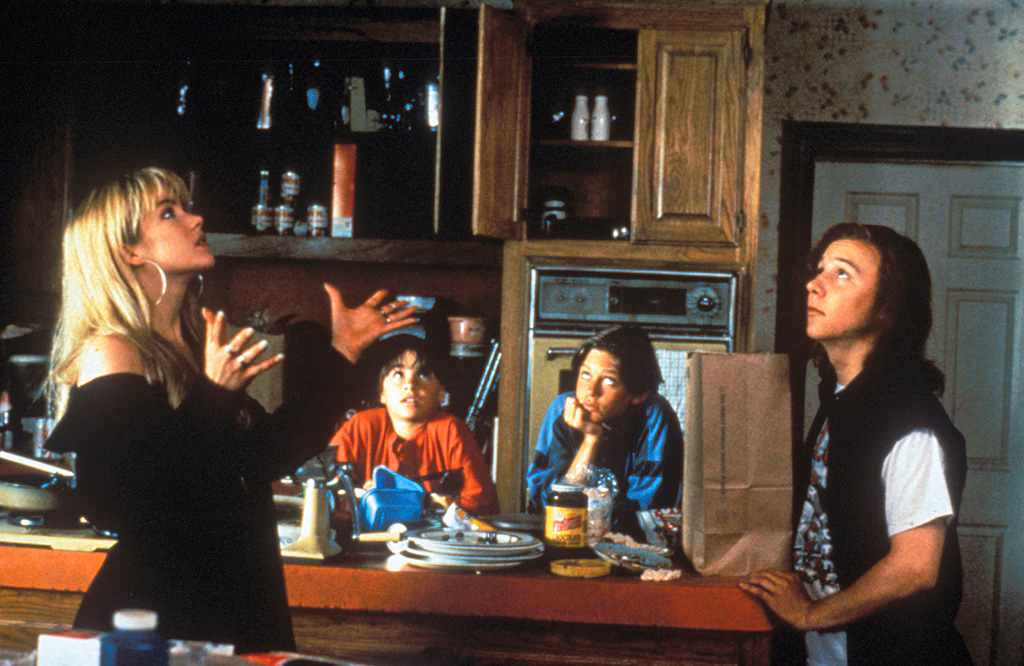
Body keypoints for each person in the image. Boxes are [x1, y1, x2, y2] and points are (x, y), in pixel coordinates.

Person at [43, 167, 417, 653]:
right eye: (169, 212)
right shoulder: (112, 350)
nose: (196, 219)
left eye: (186, 206)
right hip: (160, 623)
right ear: (129, 250)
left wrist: (342, 353)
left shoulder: (194, 342)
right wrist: (215, 395)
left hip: (233, 608)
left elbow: (266, 456)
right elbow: (118, 502)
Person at [739, 223, 971, 665]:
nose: (814, 284)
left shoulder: (910, 420)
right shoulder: (841, 402)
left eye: (842, 273)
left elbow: (915, 568)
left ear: (887, 308)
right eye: (820, 268)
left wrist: (809, 614)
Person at [525, 325, 683, 538]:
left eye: (609, 380)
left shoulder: (654, 414)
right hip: (562, 537)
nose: (591, 391)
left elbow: (648, 512)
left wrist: (584, 514)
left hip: (633, 543)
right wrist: (591, 439)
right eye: (586, 374)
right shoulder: (562, 409)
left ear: (638, 394)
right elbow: (548, 502)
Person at [329, 334, 499, 515]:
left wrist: (411, 501)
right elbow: (329, 488)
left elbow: (480, 502)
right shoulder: (361, 426)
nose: (410, 385)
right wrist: (363, 496)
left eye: (423, 374)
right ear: (382, 394)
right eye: (398, 374)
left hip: (433, 531)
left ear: (442, 394)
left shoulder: (451, 430)